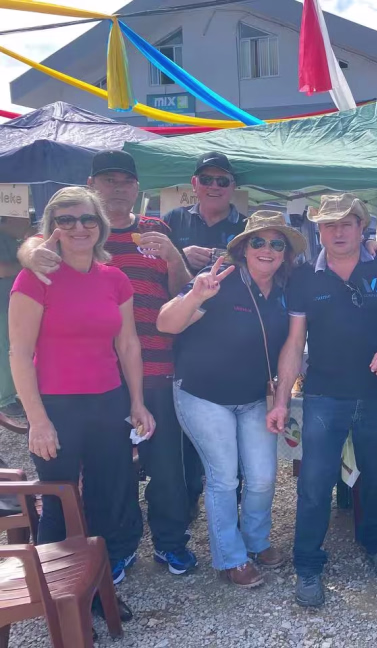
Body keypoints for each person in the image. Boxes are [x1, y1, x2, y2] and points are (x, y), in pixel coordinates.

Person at [19, 150, 196, 577]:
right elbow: (36, 246)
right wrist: (28, 252)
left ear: (137, 187)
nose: (118, 187)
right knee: (107, 476)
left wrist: (175, 257)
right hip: (93, 381)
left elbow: (182, 294)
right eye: (108, 180)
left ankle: (168, 544)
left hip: (152, 370)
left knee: (164, 467)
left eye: (125, 180)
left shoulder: (155, 229)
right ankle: (108, 553)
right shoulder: (64, 243)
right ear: (92, 186)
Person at [266, 193, 377, 607]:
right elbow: (293, 342)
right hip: (324, 396)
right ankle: (307, 565)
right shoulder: (304, 277)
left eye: (346, 223)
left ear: (362, 227)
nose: (338, 232)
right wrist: (281, 399)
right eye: (329, 224)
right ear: (318, 230)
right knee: (314, 483)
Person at [9, 187, 154, 584]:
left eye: (87, 218)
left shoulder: (114, 278)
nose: (78, 227)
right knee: (60, 497)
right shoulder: (34, 278)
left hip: (108, 400)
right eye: (66, 220)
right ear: (51, 227)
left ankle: (105, 572)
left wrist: (137, 402)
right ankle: (59, 587)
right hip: (56, 406)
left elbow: (128, 344)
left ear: (100, 226)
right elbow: (19, 353)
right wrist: (38, 421)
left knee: (109, 490)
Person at [158, 211, 306, 588]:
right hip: (203, 394)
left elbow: (292, 348)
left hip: (254, 397)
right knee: (223, 477)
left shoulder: (287, 289)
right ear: (243, 247)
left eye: (277, 243)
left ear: (286, 253)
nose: (267, 249)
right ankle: (230, 557)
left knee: (263, 476)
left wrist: (281, 401)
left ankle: (256, 540)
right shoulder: (218, 280)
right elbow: (165, 323)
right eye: (258, 241)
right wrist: (195, 294)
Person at [161, 151, 247, 517]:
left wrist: (222, 258)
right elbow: (153, 266)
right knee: (187, 430)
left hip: (233, 342)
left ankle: (232, 503)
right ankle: (189, 500)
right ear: (194, 184)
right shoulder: (172, 220)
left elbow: (264, 268)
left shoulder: (247, 226)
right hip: (184, 339)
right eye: (207, 179)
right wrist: (180, 254)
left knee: (233, 435)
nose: (214, 186)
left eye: (222, 180)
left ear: (233, 186)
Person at [0, 215, 32, 431]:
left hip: (12, 304)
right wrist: (30, 262)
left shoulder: (12, 240)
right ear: (7, 219)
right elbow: (2, 269)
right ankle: (5, 400)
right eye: (25, 219)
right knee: (4, 351)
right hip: (2, 306)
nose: (29, 222)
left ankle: (12, 394)